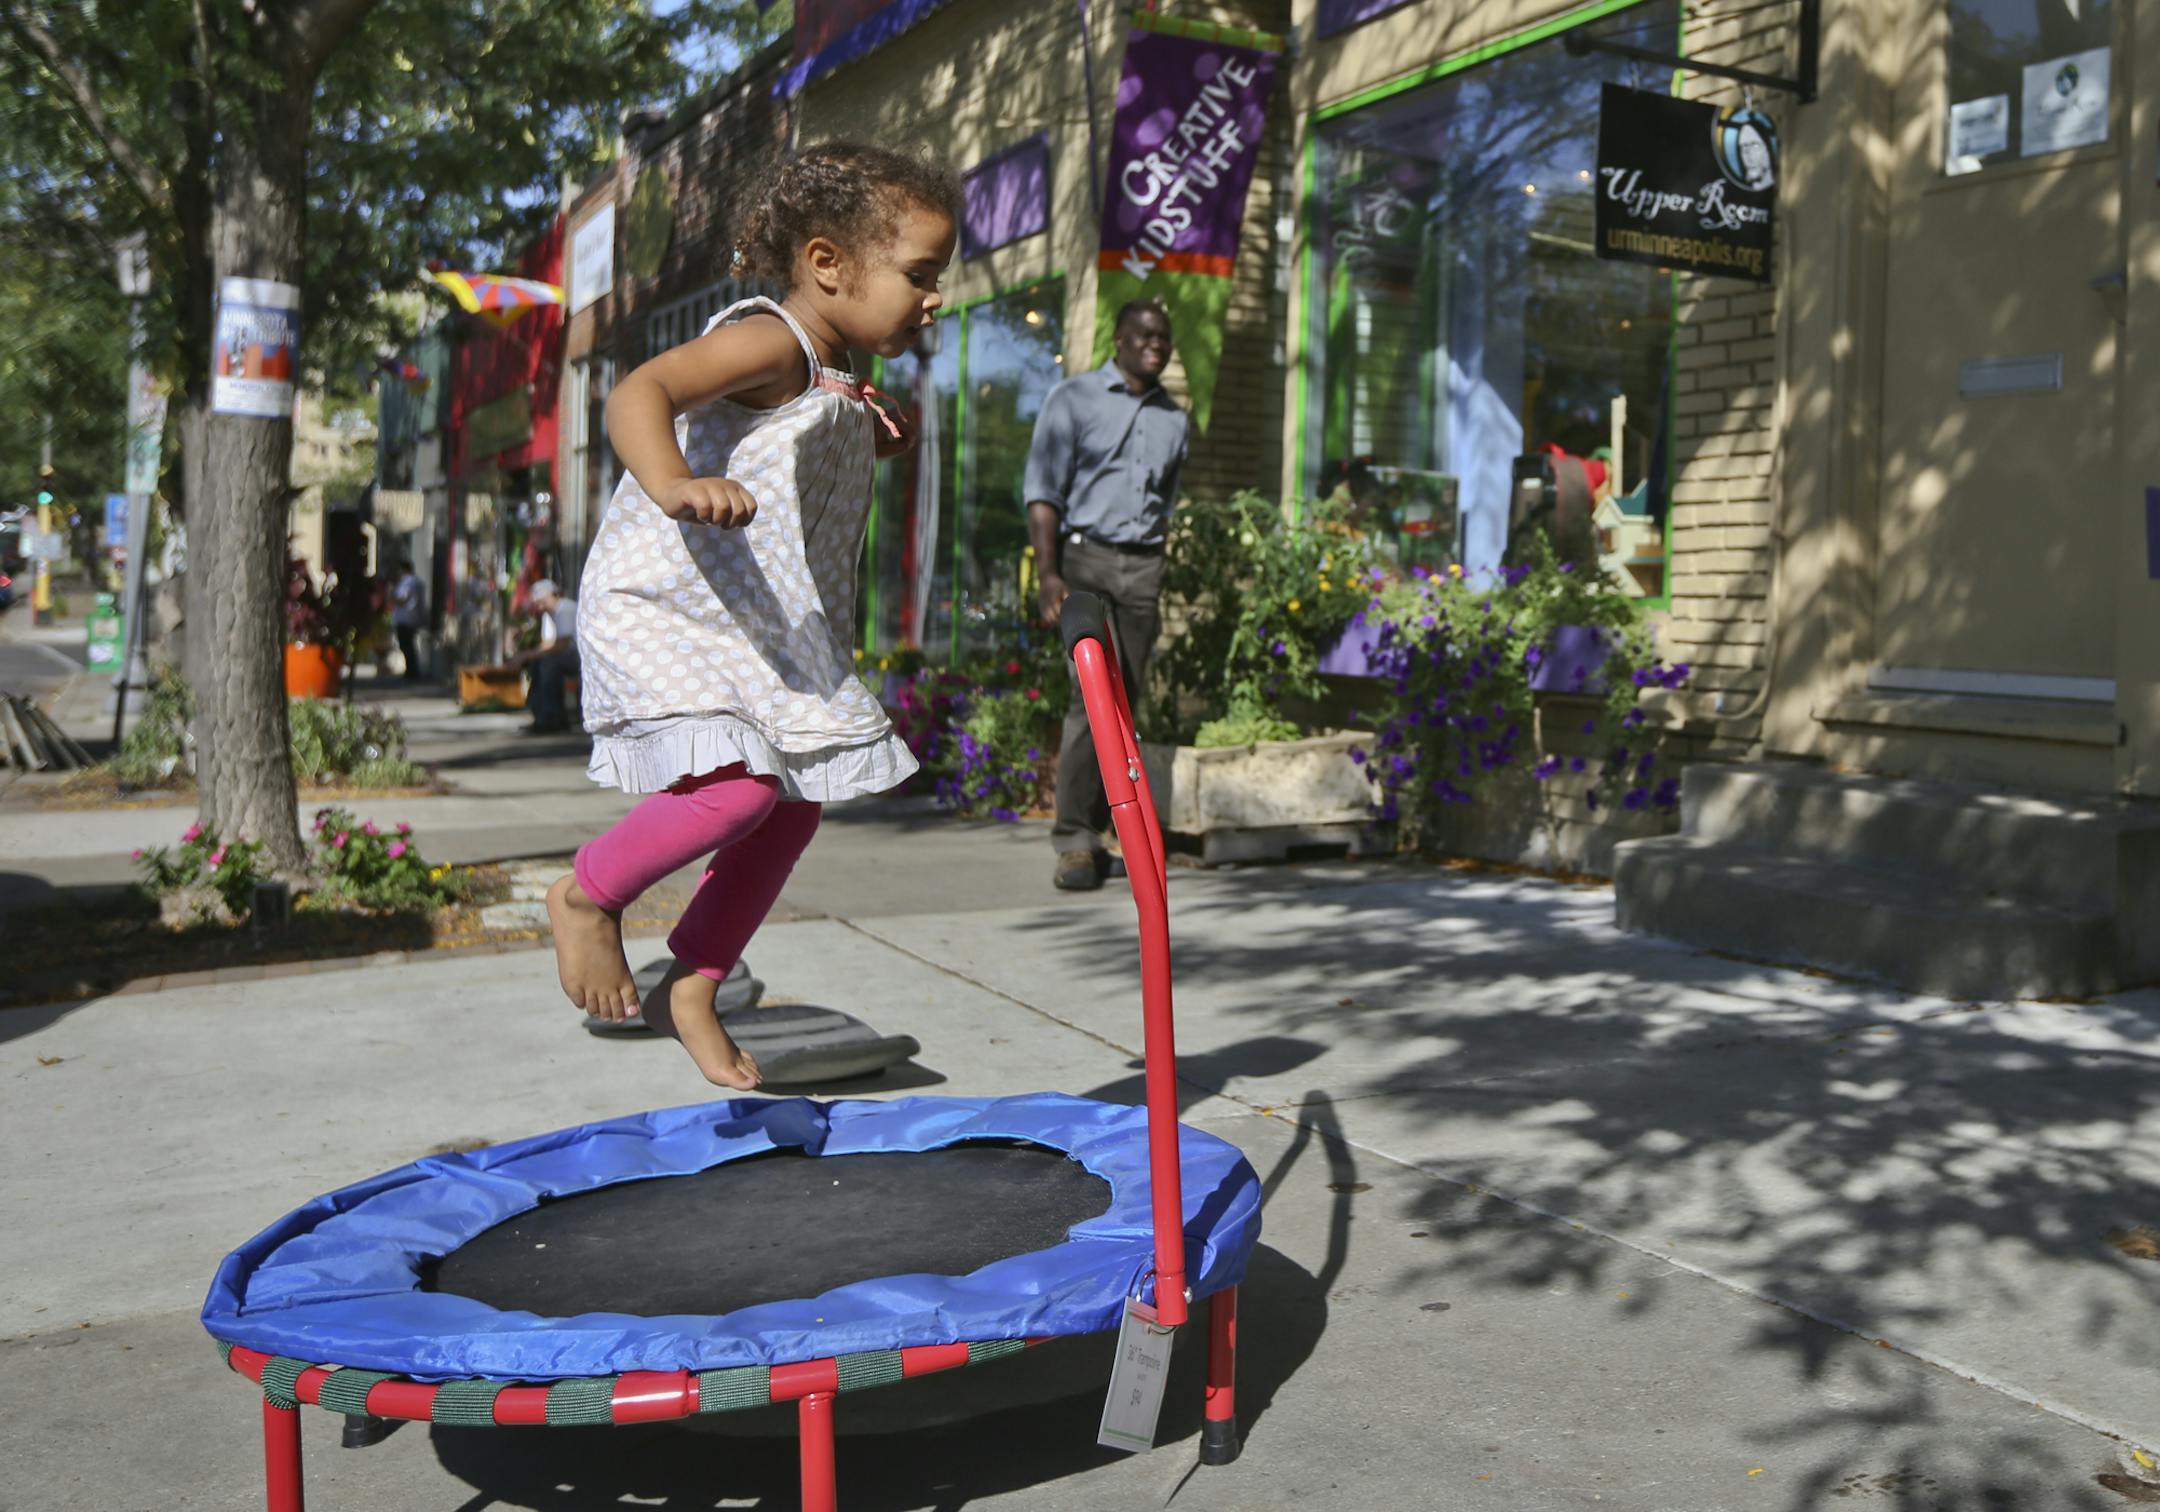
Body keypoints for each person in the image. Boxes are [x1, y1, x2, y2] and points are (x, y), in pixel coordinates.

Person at [545, 141, 957, 1088]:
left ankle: (695, 976)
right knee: (739, 791)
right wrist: (675, 479)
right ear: (827, 264)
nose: (933, 298)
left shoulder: (836, 373)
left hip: (755, 623)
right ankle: (586, 895)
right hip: (671, 605)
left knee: (794, 803)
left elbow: (792, 456)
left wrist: (871, 437)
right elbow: (640, 390)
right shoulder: (772, 340)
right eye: (919, 275)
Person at [1024, 298, 1189, 891]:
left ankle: (1099, 832)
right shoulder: (1073, 399)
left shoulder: (1175, 418)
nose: (1156, 344)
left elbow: (1165, 502)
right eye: (1144, 334)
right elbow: (1044, 491)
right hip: (1085, 559)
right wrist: (1050, 575)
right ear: (1118, 338)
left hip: (1142, 567)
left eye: (1163, 338)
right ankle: (1072, 840)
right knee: (1089, 701)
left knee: (1129, 701)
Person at [509, 578, 580, 734]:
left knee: (549, 664)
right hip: (570, 653)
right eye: (538, 604)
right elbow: (548, 643)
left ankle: (551, 717)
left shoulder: (565, 609)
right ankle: (542, 715)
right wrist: (528, 655)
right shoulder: (551, 613)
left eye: (543, 602)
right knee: (539, 662)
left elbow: (561, 644)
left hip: (582, 656)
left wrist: (528, 655)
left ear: (554, 595)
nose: (540, 607)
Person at [390, 559, 427, 682]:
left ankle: (411, 671)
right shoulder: (417, 582)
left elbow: (402, 599)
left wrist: (391, 595)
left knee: (406, 645)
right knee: (409, 644)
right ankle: (412, 669)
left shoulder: (408, 582)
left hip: (405, 618)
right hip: (412, 618)